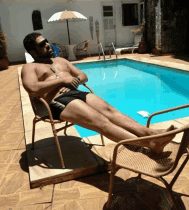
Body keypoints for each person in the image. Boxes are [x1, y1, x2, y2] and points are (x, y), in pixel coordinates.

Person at [21, 32, 176, 154]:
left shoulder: (61, 61)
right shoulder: (30, 68)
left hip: (76, 93)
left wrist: (73, 80)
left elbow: (83, 76)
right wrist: (61, 81)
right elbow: (32, 88)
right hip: (57, 101)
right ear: (33, 52)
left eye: (46, 41)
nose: (48, 45)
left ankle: (149, 133)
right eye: (42, 44)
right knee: (100, 122)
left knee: (111, 112)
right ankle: (150, 143)